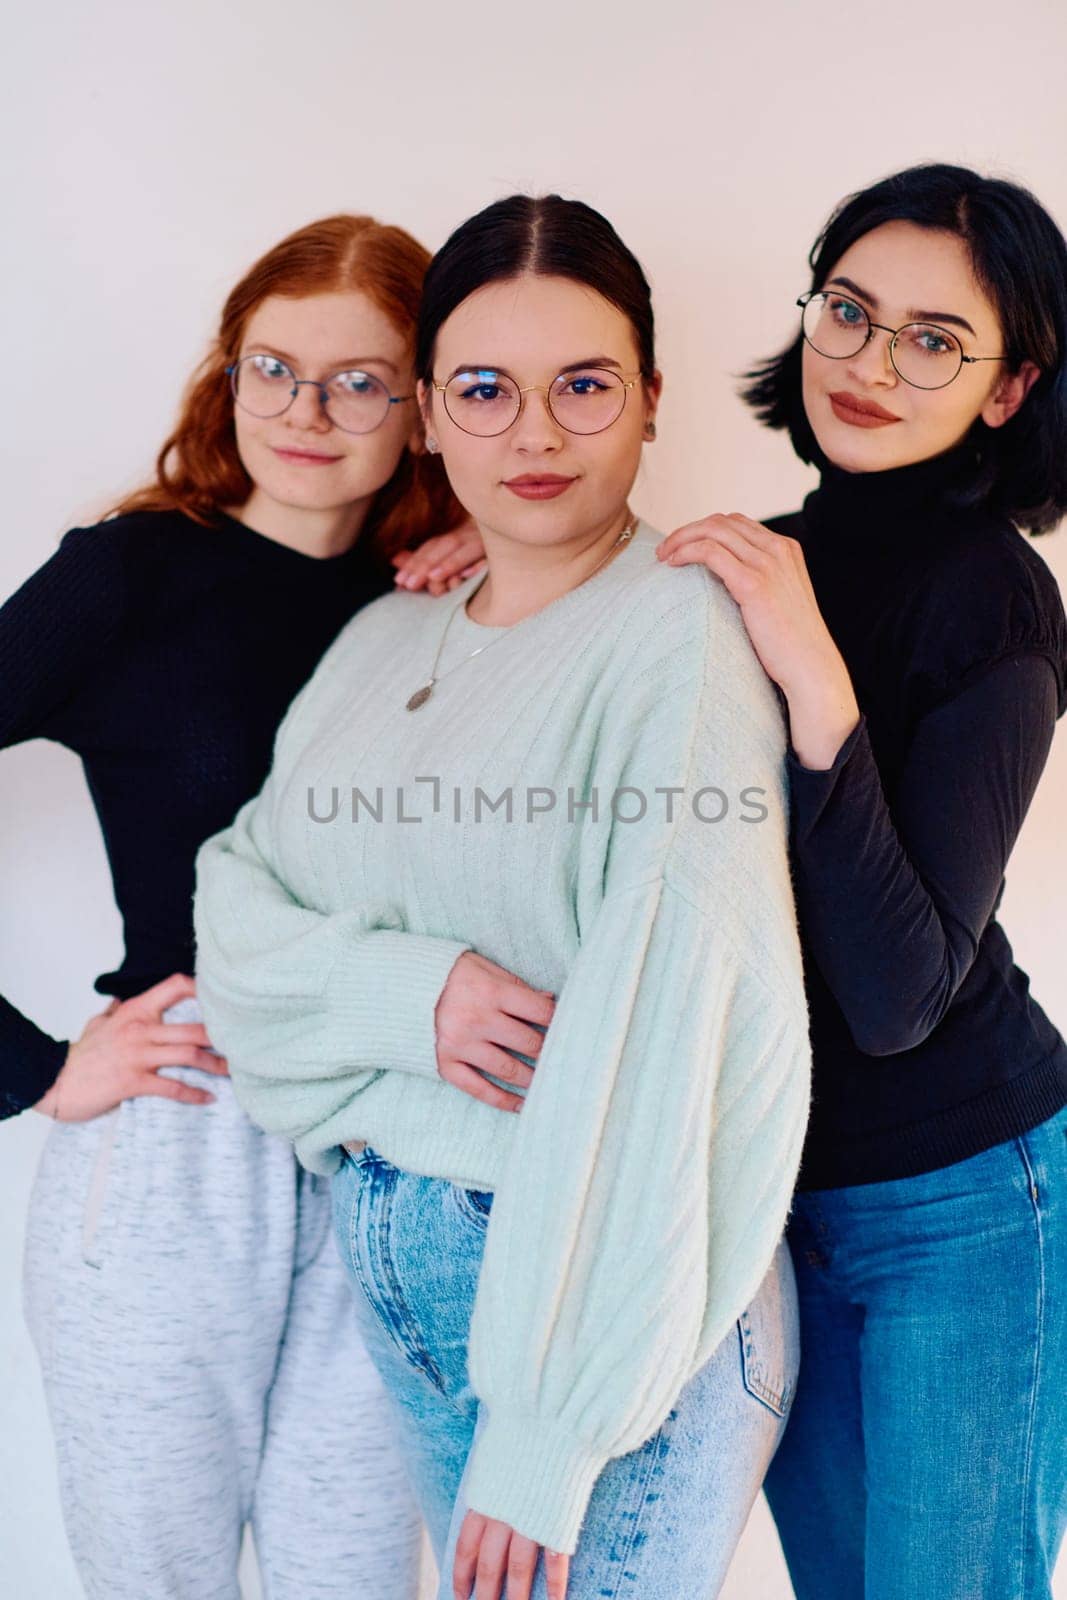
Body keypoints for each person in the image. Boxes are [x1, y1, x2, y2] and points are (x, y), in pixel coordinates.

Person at [192, 194, 812, 1600]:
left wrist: (550, 1428)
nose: (533, 435)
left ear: (651, 402)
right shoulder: (383, 636)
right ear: (426, 414)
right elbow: (235, 907)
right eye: (486, 391)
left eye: (583, 386)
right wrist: (402, 997)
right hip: (415, 1290)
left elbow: (668, 1028)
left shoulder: (681, 629)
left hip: (595, 1325)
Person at [5, 211, 486, 1599]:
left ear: (425, 406)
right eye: (273, 368)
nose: (307, 413)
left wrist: (507, 563)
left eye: (360, 381)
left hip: (385, 1129)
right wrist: (35, 1071)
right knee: (160, 1575)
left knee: (354, 1572)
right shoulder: (127, 575)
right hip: (182, 1131)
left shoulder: (453, 593)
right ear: (228, 370)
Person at [652, 163, 1067, 1600]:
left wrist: (819, 685)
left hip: (967, 1198)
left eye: (935, 341)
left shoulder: (996, 596)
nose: (873, 365)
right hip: (781, 1202)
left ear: (1008, 390)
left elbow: (899, 993)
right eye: (850, 311)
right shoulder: (768, 561)